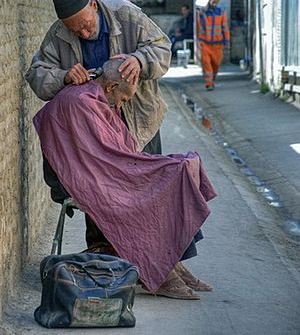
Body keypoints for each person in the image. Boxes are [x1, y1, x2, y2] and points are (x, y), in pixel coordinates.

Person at [33, 58, 217, 300]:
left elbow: (116, 151)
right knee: (161, 185)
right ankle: (161, 272)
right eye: (123, 98)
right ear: (110, 87)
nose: (121, 104)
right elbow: (102, 158)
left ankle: (170, 262)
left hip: (97, 172)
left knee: (177, 172)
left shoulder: (98, 99)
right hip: (76, 179)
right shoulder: (80, 102)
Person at [25, 0, 171, 247]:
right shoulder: (59, 34)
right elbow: (36, 74)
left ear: (93, 4)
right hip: (95, 127)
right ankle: (102, 257)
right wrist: (63, 76)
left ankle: (154, 255)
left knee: (147, 189)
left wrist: (139, 60)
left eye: (86, 24)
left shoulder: (125, 14)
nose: (82, 31)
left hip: (137, 118)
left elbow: (163, 50)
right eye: (75, 29)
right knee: (99, 189)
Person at [196, 0, 230, 90]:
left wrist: (227, 41)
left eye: (216, 2)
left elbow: (225, 28)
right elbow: (201, 24)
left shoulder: (221, 12)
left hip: (218, 44)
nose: (214, 3)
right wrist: (200, 13)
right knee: (206, 64)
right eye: (212, 1)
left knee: (216, 64)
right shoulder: (204, 13)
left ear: (218, 2)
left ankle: (212, 80)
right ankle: (209, 83)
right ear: (209, 1)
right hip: (205, 43)